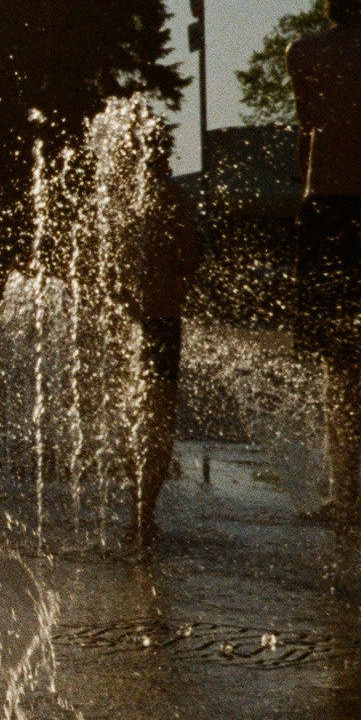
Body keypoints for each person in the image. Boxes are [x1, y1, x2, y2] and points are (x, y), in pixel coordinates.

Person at [287, 0, 361, 524]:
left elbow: (309, 124)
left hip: (328, 205)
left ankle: (344, 493)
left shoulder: (305, 52)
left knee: (340, 363)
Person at [122, 134, 203, 550]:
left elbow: (105, 267)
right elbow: (190, 255)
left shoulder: (121, 198)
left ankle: (134, 511)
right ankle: (145, 513)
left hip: (125, 321)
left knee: (129, 414)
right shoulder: (175, 198)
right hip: (163, 317)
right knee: (159, 418)